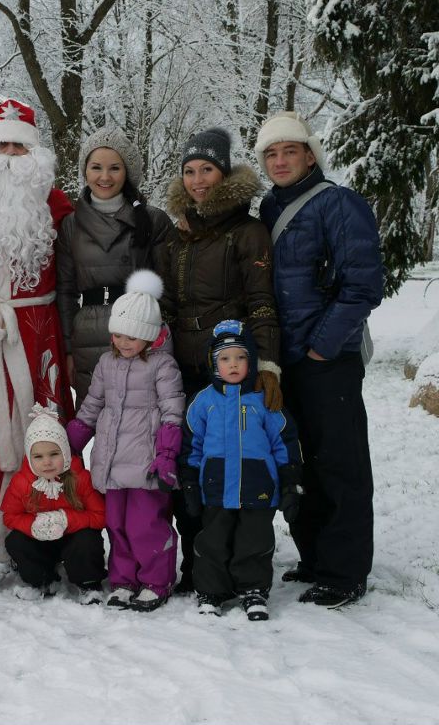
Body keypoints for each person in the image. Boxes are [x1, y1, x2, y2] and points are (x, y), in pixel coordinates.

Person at [255, 110, 383, 608]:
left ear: (310, 155)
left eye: (290, 150)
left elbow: (363, 285)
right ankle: (314, 556)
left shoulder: (339, 204)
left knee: (340, 463)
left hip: (327, 358)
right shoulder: (268, 208)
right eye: (271, 153)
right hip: (285, 361)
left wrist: (321, 346)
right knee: (297, 462)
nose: (280, 160)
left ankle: (345, 571)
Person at [0, 98, 75, 600]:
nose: (9, 154)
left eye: (19, 146)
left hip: (40, 332)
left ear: (36, 154)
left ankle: (44, 546)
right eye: (0, 144)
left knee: (45, 438)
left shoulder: (58, 204)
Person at [164, 126, 282, 593]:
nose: (197, 180)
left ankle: (243, 566)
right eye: (190, 171)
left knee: (241, 467)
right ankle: (200, 568)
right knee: (193, 471)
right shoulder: (178, 237)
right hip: (183, 371)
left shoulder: (247, 232)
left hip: (231, 373)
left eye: (207, 170)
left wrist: (267, 365)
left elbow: (262, 302)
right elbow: (168, 305)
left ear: (224, 173)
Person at [66, 270, 185, 612]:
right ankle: (122, 580)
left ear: (149, 336)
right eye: (117, 335)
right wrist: (73, 441)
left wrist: (166, 454)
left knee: (145, 525)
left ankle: (154, 580)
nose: (123, 342)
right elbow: (92, 405)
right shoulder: (106, 363)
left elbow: (172, 412)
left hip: (146, 462)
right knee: (115, 524)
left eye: (131, 336)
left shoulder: (163, 366)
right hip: (111, 459)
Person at [183, 319, 302, 621]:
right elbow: (191, 446)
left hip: (257, 487)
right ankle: (211, 591)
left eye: (240, 357)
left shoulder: (264, 400)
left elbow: (283, 443)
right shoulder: (204, 402)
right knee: (212, 542)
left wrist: (289, 483)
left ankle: (254, 590)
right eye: (224, 359)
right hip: (216, 486)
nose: (233, 365)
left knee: (255, 541)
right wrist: (189, 483)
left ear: (251, 361)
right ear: (214, 364)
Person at [56, 126, 175, 407]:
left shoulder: (152, 220)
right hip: (89, 334)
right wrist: (69, 349)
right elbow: (65, 291)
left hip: (142, 333)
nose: (105, 177)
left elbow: (169, 286)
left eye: (114, 168)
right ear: (85, 171)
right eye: (96, 167)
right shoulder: (71, 225)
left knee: (142, 422)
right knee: (98, 422)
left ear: (127, 172)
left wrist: (160, 338)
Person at [2, 406, 107, 603]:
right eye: (38, 457)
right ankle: (43, 580)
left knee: (87, 540)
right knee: (15, 541)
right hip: (41, 541)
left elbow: (101, 515)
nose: (47, 462)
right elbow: (10, 516)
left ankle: (89, 584)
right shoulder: (22, 482)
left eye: (54, 454)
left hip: (72, 541)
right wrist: (33, 525)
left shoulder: (80, 478)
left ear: (65, 452)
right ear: (29, 457)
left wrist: (67, 519)